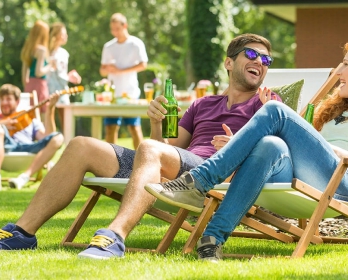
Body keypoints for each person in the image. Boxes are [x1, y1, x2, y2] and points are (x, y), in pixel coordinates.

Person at [0, 34, 278, 258]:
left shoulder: (267, 105)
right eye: (252, 55)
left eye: (266, 60)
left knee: (149, 149)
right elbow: (166, 149)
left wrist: (239, 146)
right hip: (176, 170)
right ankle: (22, 232)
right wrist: (157, 123)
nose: (260, 63)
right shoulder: (202, 104)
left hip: (212, 177)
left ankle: (114, 236)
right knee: (80, 144)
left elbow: (275, 154)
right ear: (229, 62)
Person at [144, 44, 348, 262]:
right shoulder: (333, 107)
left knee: (274, 110)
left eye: (346, 65)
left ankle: (199, 180)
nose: (338, 72)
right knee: (271, 145)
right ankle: (212, 240)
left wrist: (329, 149)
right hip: (302, 172)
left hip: (339, 180)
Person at [0, 84, 64, 191]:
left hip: (27, 148)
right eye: (2, 99)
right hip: (5, 148)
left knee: (58, 137)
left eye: (8, 99)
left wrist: (50, 109)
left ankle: (23, 178)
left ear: (17, 101)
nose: (4, 102)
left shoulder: (29, 119)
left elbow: (47, 137)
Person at [100, 13, 148, 149]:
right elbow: (102, 70)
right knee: (110, 128)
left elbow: (143, 65)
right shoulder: (108, 46)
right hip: (112, 95)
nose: (115, 32)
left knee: (134, 127)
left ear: (125, 26)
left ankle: (141, 159)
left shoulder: (136, 43)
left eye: (117, 29)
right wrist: (108, 68)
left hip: (131, 93)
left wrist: (121, 71)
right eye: (112, 29)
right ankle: (110, 163)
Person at [47, 22, 82, 130]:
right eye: (63, 34)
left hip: (62, 90)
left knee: (65, 119)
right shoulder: (46, 52)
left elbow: (61, 73)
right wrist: (68, 77)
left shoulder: (63, 53)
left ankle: (67, 142)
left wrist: (70, 76)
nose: (65, 36)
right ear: (55, 35)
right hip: (49, 89)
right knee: (49, 116)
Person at [21, 20, 53, 120]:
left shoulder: (28, 49)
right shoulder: (42, 50)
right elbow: (39, 72)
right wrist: (50, 66)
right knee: (43, 117)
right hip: (40, 85)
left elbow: (24, 75)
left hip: (29, 85)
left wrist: (28, 87)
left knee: (30, 116)